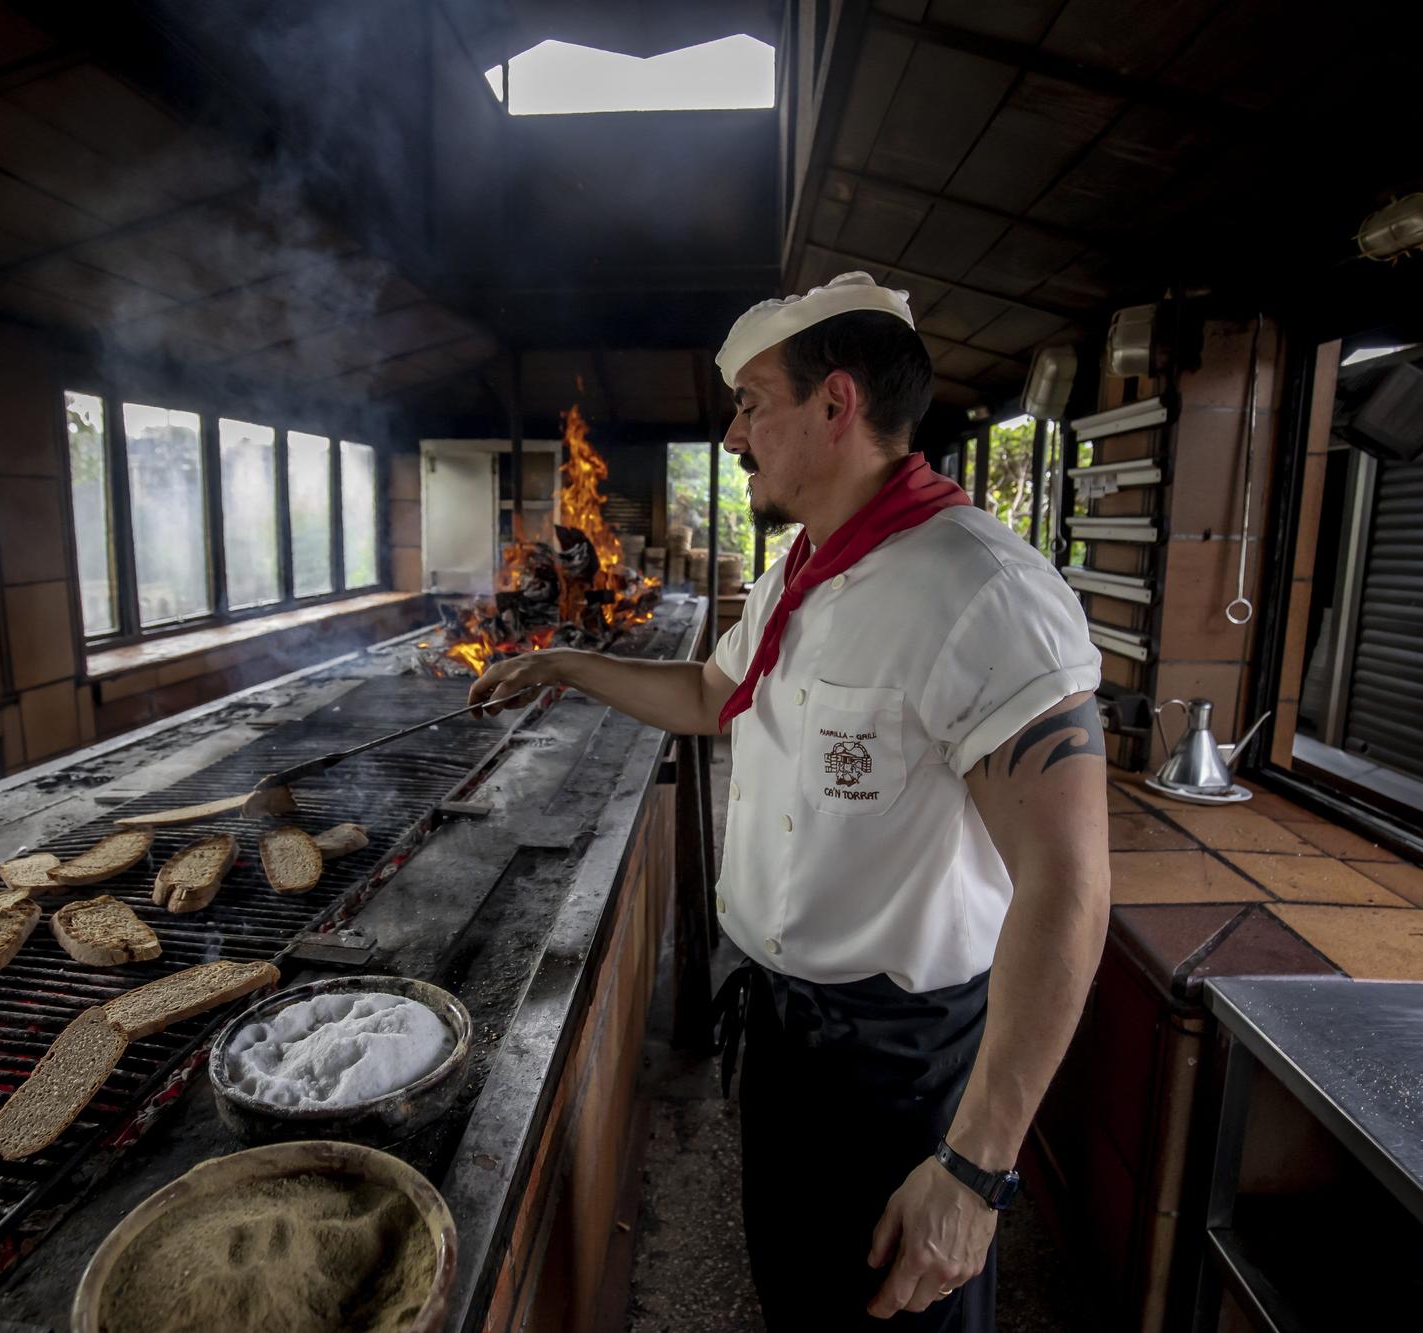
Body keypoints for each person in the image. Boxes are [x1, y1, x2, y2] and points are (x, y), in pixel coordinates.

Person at [468, 272, 1110, 1330]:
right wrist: (565, 666)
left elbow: (1067, 882)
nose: (733, 434)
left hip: (897, 1063)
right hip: (779, 1027)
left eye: (752, 401)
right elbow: (714, 694)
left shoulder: (983, 592)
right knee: (802, 1296)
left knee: (899, 1312)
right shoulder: (800, 573)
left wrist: (974, 1168)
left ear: (834, 403)